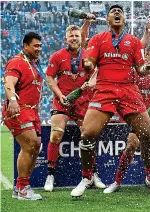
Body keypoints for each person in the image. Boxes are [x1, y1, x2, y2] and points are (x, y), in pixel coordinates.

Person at [70, 5, 150, 197]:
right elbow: (89, 63)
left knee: (147, 134)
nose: (116, 13)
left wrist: (148, 67)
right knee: (87, 134)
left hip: (128, 90)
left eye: (120, 12)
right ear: (107, 19)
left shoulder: (134, 42)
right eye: (113, 11)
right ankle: (86, 178)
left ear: (124, 19)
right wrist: (87, 64)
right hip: (105, 89)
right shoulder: (98, 39)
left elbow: (140, 69)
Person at [103, 45, 150, 194]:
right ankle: (117, 182)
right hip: (141, 114)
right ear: (145, 56)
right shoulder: (137, 72)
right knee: (131, 145)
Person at [43, 23, 105, 192]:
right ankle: (50, 174)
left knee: (88, 136)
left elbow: (96, 73)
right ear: (66, 38)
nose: (74, 38)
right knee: (56, 135)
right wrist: (59, 94)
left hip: (83, 102)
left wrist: (91, 83)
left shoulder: (88, 56)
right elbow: (49, 77)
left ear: (81, 38)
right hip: (62, 101)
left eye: (77, 36)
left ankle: (93, 173)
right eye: (71, 36)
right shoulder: (57, 56)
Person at [2, 32, 44, 200]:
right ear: (25, 46)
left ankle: (19, 186)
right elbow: (8, 82)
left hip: (32, 111)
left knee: (37, 145)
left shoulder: (35, 64)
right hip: (18, 109)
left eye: (40, 46)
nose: (39, 49)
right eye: (35, 46)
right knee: (30, 144)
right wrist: (12, 99)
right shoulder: (17, 62)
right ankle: (23, 188)